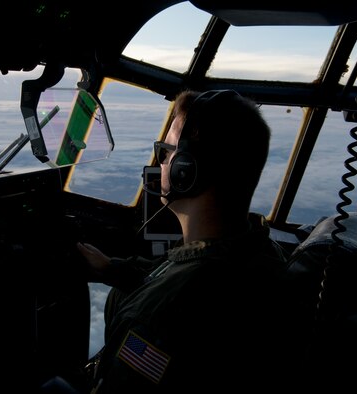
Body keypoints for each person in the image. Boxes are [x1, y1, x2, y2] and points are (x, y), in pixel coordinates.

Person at [75, 89, 299, 392]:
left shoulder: (156, 321)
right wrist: (111, 269)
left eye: (166, 153)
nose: (161, 162)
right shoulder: (256, 249)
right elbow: (180, 279)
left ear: (186, 170)